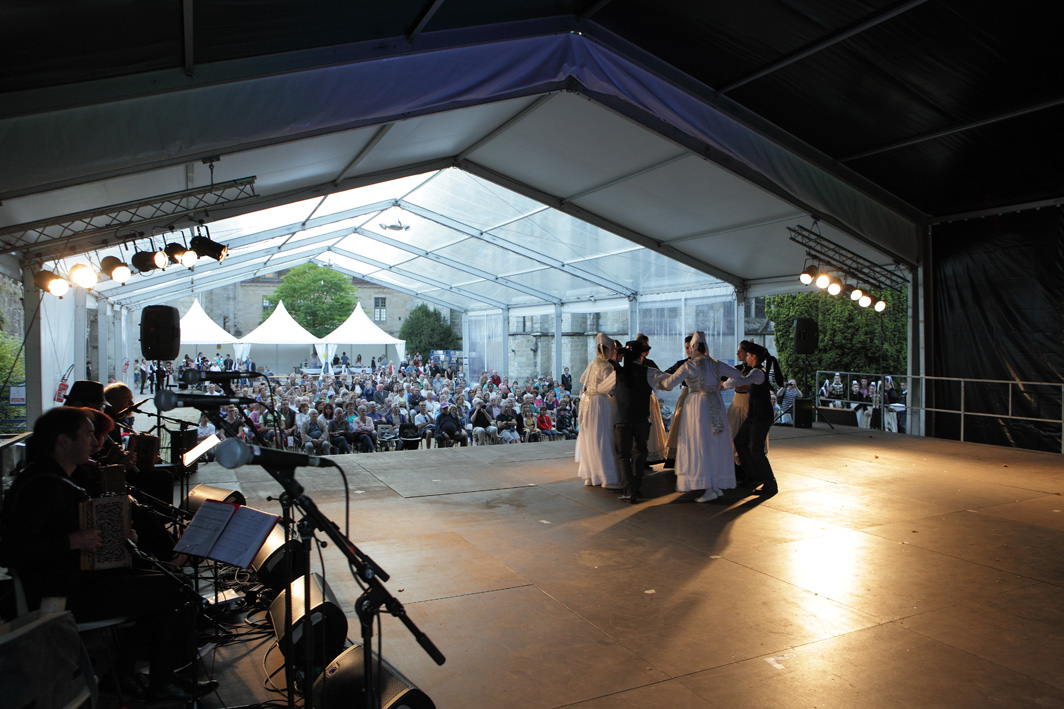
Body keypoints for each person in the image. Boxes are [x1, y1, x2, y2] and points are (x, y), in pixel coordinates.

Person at [0, 407, 201, 701]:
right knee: (174, 589)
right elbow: (10, 552)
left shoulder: (62, 476)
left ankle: (125, 672)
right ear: (63, 441)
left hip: (82, 579)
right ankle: (157, 681)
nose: (96, 442)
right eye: (89, 434)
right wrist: (71, 541)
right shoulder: (40, 487)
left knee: (170, 582)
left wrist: (118, 539)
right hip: (58, 593)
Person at [655, 332, 748, 502]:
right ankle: (716, 485)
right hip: (715, 403)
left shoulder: (689, 366)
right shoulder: (715, 363)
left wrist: (655, 378)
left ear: (693, 348)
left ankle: (709, 488)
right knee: (715, 443)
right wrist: (724, 386)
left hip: (697, 406)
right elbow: (739, 375)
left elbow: (669, 384)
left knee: (699, 443)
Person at [733, 342, 785, 496]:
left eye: (748, 355)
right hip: (754, 416)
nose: (746, 358)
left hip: (761, 417)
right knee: (740, 442)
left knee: (756, 449)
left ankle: (770, 483)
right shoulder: (757, 371)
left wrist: (724, 384)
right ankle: (753, 475)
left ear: (754, 357)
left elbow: (741, 382)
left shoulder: (757, 372)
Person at [611, 339, 655, 503]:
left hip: (623, 419)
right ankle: (636, 487)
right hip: (642, 418)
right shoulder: (649, 372)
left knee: (623, 455)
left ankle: (629, 490)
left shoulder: (618, 373)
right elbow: (668, 383)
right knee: (640, 451)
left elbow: (603, 388)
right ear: (642, 354)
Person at [575, 333, 620, 488]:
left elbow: (583, 379)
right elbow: (608, 386)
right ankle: (606, 476)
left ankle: (591, 475)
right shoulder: (606, 366)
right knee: (603, 437)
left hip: (587, 401)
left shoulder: (593, 363)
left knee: (589, 437)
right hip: (600, 403)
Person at [635, 334, 668, 465]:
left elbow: (660, 378)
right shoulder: (633, 363)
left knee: (651, 428)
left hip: (648, 398)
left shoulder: (650, 364)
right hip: (637, 399)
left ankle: (648, 457)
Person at [661, 335, 693, 467]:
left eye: (690, 347)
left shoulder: (706, 363)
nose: (688, 351)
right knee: (681, 423)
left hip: (699, 397)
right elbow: (667, 374)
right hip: (686, 395)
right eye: (686, 348)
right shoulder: (682, 364)